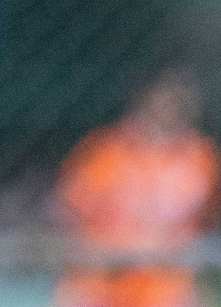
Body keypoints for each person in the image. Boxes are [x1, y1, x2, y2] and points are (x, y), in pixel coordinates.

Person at [56, 70, 219, 307]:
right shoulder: (104, 151)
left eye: (179, 102)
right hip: (103, 280)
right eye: (164, 99)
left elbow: (210, 216)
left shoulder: (200, 158)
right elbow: (69, 214)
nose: (171, 109)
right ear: (143, 101)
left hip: (166, 286)